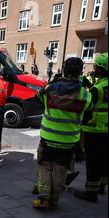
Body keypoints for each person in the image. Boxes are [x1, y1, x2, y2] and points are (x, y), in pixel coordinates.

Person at [32, 57, 92, 210]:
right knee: (61, 170)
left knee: (45, 166)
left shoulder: (50, 89)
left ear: (64, 70)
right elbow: (88, 114)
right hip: (68, 140)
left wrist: (53, 82)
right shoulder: (85, 95)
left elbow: (38, 98)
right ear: (80, 72)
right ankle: (54, 199)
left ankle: (43, 197)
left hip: (48, 137)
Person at [74, 53, 108, 202]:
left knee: (93, 162)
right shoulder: (100, 86)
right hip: (107, 129)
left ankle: (91, 192)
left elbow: (86, 106)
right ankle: (101, 186)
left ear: (99, 69)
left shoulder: (96, 89)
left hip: (94, 130)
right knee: (104, 159)